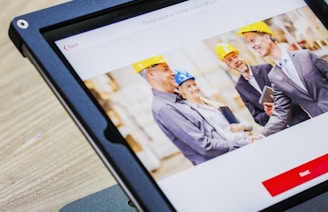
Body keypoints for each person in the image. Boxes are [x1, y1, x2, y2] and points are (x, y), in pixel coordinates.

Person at [132, 55, 254, 165]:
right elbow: (205, 146)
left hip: (229, 156)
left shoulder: (178, 101)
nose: (172, 73)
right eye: (166, 69)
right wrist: (244, 143)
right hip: (218, 164)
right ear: (151, 74)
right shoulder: (165, 108)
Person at [238, 21, 328, 137]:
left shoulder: (306, 56)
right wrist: (262, 136)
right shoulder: (274, 76)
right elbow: (281, 112)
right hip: (321, 125)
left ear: (266, 37)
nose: (252, 46)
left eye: (252, 40)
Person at [174, 69, 253, 134]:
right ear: (181, 90)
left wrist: (242, 127)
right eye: (188, 86)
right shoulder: (195, 113)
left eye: (194, 84)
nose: (194, 88)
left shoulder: (216, 105)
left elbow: (248, 125)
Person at [215, 43, 273, 126]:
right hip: (276, 125)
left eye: (235, 56)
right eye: (230, 60)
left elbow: (288, 92)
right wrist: (268, 113)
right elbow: (257, 118)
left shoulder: (266, 69)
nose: (235, 61)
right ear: (229, 66)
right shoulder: (240, 87)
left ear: (241, 56)